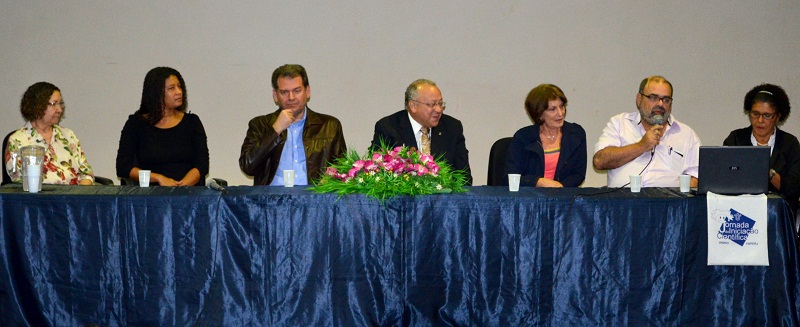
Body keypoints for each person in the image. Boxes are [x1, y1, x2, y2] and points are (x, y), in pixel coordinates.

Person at [239, 64, 347, 186]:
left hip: (313, 199)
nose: (291, 98)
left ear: (307, 91)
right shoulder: (259, 125)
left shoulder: (330, 126)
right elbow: (248, 166)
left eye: (297, 91)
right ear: (275, 95)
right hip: (270, 200)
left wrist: (328, 182)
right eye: (284, 92)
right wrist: (275, 130)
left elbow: (342, 170)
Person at [593, 76, 701, 187]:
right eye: (653, 98)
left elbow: (697, 177)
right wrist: (642, 146)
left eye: (666, 100)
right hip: (623, 201)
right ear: (639, 99)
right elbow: (600, 161)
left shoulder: (687, 134)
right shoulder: (620, 123)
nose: (660, 104)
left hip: (669, 202)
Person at [116, 67, 209, 186]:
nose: (179, 92)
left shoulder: (192, 122)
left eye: (179, 86)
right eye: (171, 88)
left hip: (187, 193)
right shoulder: (136, 124)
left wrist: (182, 185)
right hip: (150, 196)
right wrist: (158, 178)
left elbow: (202, 165)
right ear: (156, 93)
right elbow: (123, 167)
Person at [371, 79, 473, 185]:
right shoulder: (388, 128)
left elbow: (464, 178)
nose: (439, 110)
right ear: (413, 106)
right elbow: (378, 174)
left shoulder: (452, 127)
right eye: (432, 104)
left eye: (440, 104)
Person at [723, 84, 799, 216]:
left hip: (778, 214)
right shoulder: (736, 139)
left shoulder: (789, 143)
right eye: (755, 114)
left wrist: (769, 173)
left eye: (767, 115)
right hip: (740, 212)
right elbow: (724, 177)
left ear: (778, 117)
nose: (760, 120)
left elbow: (794, 188)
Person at [4, 82, 94, 185]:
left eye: (60, 104)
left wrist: (79, 196)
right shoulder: (18, 141)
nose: (59, 109)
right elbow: (19, 181)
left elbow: (86, 173)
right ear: (38, 106)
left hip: (74, 198)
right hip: (41, 200)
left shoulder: (68, 135)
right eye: (54, 104)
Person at [506, 84, 586, 187]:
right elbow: (510, 177)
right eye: (552, 109)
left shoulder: (576, 134)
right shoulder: (523, 137)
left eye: (561, 106)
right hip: (530, 199)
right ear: (539, 114)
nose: (560, 113)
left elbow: (578, 174)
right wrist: (539, 182)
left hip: (564, 197)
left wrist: (559, 188)